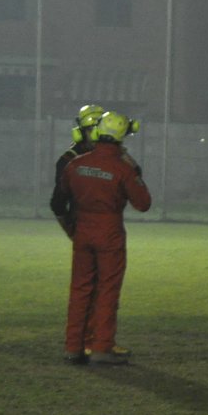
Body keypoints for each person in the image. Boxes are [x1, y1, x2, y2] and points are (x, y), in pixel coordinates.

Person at [54, 111, 151, 365]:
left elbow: (62, 196)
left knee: (80, 289)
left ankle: (73, 346)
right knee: (107, 290)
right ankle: (101, 347)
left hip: (82, 231)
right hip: (109, 232)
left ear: (97, 132)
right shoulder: (122, 168)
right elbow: (143, 203)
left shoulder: (76, 165)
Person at [49, 103, 104, 237]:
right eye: (91, 130)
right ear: (81, 132)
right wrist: (71, 233)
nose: (95, 136)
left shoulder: (111, 158)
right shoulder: (68, 161)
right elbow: (58, 204)